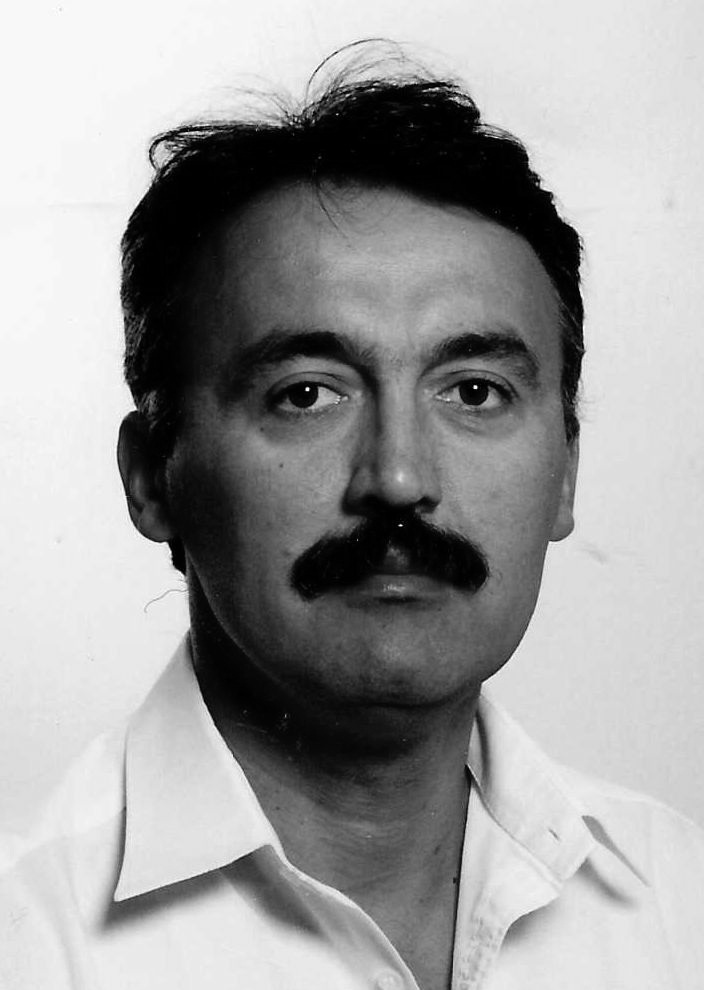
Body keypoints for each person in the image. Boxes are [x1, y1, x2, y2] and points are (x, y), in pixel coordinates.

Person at [2, 45, 703, 990]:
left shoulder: (681, 906)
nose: (400, 478)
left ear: (566, 473)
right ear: (152, 479)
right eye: (306, 394)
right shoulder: (25, 939)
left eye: (476, 391)